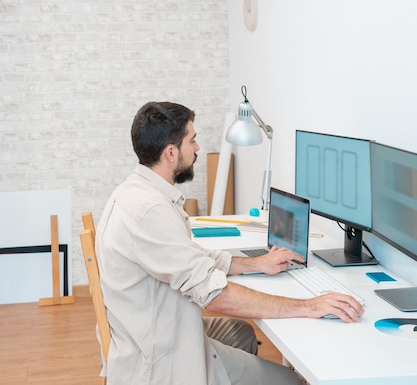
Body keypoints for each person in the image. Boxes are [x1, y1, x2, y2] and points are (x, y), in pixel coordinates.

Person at [96, 101, 364, 385]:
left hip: (157, 329)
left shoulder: (137, 192)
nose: (198, 148)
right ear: (171, 152)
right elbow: (214, 294)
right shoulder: (149, 210)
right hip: (161, 359)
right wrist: (308, 306)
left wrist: (255, 263)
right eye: (192, 140)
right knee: (290, 381)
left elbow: (190, 256)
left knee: (242, 334)